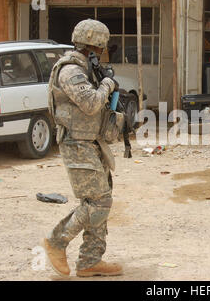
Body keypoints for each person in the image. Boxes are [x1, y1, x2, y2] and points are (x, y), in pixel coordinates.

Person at [44, 19, 122, 278]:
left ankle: (90, 261)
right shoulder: (70, 71)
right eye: (102, 48)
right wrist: (108, 84)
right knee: (100, 201)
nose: (103, 53)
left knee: (98, 198)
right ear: (93, 47)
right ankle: (57, 240)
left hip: (91, 142)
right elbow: (90, 104)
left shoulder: (85, 67)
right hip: (77, 144)